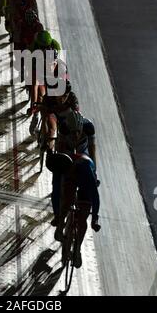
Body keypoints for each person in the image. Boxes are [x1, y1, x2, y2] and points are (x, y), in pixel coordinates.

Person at [46, 110, 101, 268]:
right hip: (67, 159)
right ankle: (61, 219)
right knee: (61, 189)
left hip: (84, 165)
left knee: (83, 215)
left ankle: (77, 249)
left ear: (82, 128)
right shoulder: (63, 129)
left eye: (78, 132)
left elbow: (93, 150)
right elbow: (57, 185)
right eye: (73, 132)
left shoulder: (89, 128)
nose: (76, 135)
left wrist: (95, 217)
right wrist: (58, 212)